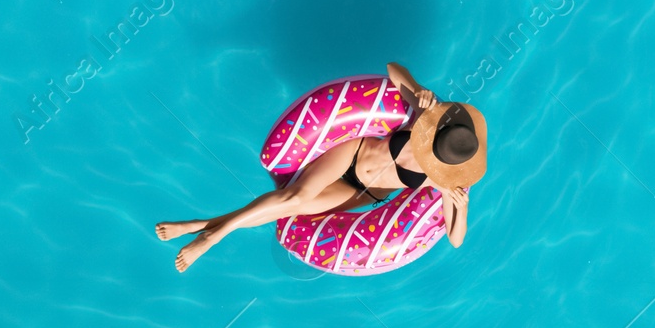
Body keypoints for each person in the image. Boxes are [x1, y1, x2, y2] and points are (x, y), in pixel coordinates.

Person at [157, 63, 487, 272]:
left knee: (291, 210)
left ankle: (201, 224)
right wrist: (417, 90)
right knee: (294, 198)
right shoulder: (422, 119)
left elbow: (456, 239)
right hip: (351, 153)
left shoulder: (441, 181)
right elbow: (392, 68)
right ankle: (213, 237)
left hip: (359, 192)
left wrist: (463, 206)